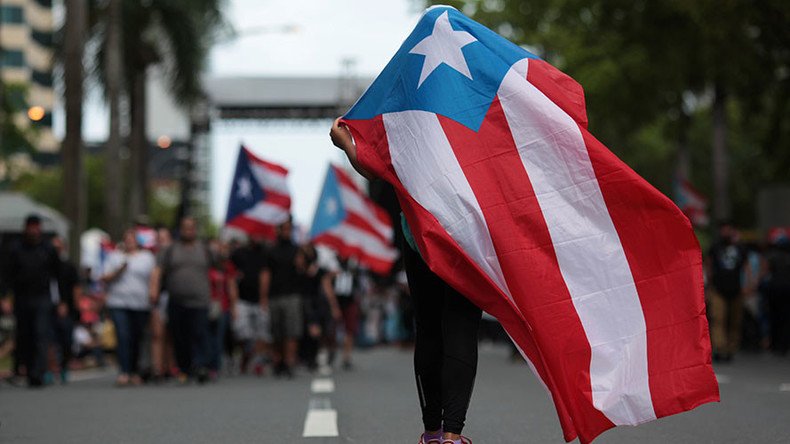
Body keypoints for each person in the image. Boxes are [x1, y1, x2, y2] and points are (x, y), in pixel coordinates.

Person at [331, 118, 478, 444]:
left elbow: (377, 169)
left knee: (428, 328)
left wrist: (346, 144)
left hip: (420, 237)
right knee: (460, 326)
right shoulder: (473, 94)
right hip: (467, 237)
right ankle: (452, 437)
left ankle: (432, 434)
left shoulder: (407, 108)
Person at [150, 217, 214, 384]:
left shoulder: (204, 249)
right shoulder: (170, 250)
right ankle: (184, 369)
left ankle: (200, 366)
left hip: (200, 300)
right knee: (180, 336)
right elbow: (158, 270)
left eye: (191, 228)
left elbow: (220, 266)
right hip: (177, 300)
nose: (188, 231)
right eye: (185, 228)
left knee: (199, 333)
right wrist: (154, 290)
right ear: (180, 230)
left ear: (195, 230)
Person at [4, 214, 61, 387]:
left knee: (40, 334)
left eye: (37, 227)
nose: (34, 230)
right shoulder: (15, 248)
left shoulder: (48, 248)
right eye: (31, 227)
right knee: (24, 335)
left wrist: (62, 300)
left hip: (42, 297)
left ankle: (38, 372)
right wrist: (5, 297)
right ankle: (26, 369)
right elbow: (6, 275)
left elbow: (57, 274)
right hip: (21, 297)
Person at [102, 229, 155, 386]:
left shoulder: (147, 258)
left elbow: (153, 277)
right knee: (123, 336)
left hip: (140, 304)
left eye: (133, 238)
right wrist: (120, 269)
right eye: (127, 238)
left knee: (136, 338)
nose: (130, 241)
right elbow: (105, 277)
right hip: (118, 302)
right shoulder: (114, 257)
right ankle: (124, 372)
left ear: (137, 241)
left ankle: (134, 370)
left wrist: (153, 294)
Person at [262, 217, 302, 378]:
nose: (286, 231)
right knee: (276, 332)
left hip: (292, 296)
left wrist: (302, 262)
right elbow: (265, 274)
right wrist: (263, 297)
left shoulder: (297, 250)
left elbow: (304, 270)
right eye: (283, 228)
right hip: (275, 296)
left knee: (291, 332)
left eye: (289, 228)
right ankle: (278, 361)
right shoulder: (270, 250)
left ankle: (289, 362)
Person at [229, 234, 271, 375]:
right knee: (242, 333)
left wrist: (264, 298)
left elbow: (266, 275)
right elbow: (231, 277)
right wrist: (233, 302)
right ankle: (243, 356)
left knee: (262, 333)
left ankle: (257, 361)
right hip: (242, 300)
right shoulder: (238, 253)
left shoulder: (265, 253)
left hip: (259, 301)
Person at [707, 221, 748, 362]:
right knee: (718, 319)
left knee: (734, 321)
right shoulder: (716, 247)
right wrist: (709, 284)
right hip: (718, 289)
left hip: (736, 289)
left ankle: (731, 348)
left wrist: (749, 284)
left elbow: (746, 267)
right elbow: (709, 265)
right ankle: (720, 348)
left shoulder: (740, 248)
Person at [51, 236, 81, 383]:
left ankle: (63, 366)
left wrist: (74, 306)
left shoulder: (69, 266)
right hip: (49, 307)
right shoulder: (46, 265)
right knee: (48, 339)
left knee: (66, 340)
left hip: (68, 308)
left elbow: (76, 288)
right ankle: (50, 368)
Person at [208, 240, 236, 379]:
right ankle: (204, 364)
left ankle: (215, 366)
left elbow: (231, 287)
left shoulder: (227, 267)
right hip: (205, 305)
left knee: (218, 338)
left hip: (222, 306)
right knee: (206, 336)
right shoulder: (205, 266)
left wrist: (233, 307)